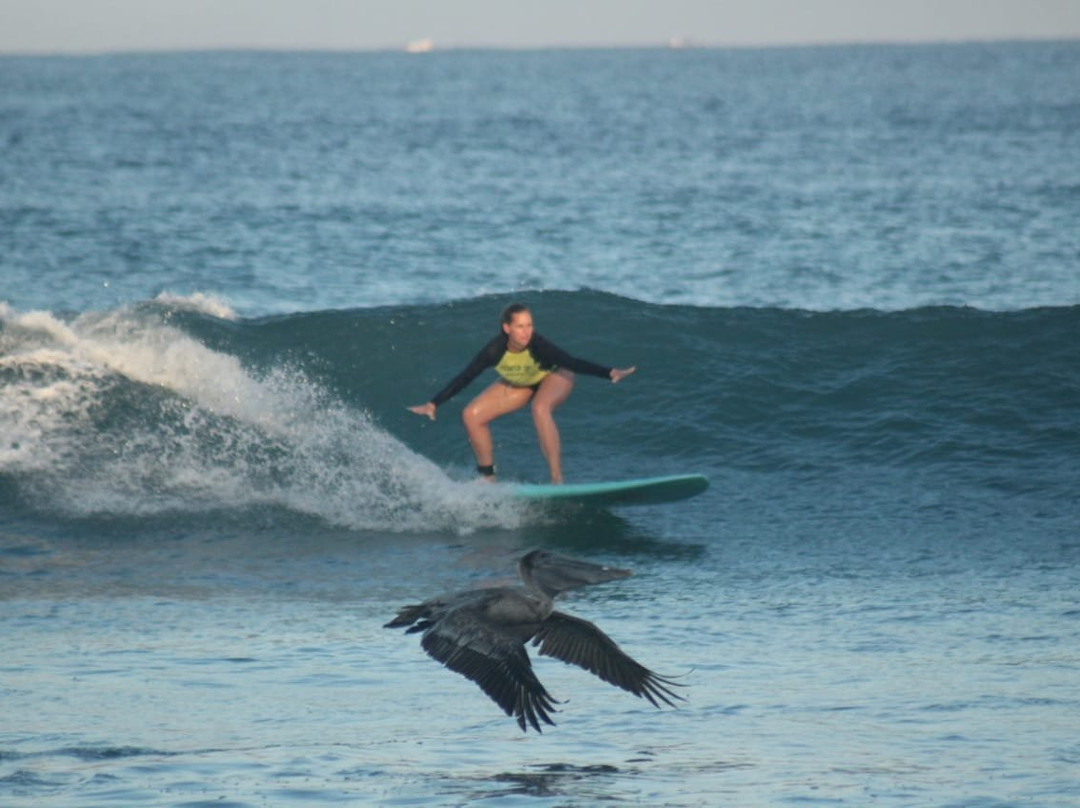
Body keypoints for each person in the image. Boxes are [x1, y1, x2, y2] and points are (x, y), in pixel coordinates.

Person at [408, 302, 635, 484]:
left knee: (540, 408)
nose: (527, 331)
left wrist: (609, 373)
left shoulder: (538, 345)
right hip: (523, 382)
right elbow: (466, 376)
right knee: (471, 415)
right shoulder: (494, 351)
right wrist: (433, 404)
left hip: (554, 375)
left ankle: (557, 479)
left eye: (529, 325)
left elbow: (570, 362)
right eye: (520, 326)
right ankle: (488, 477)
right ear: (507, 328)